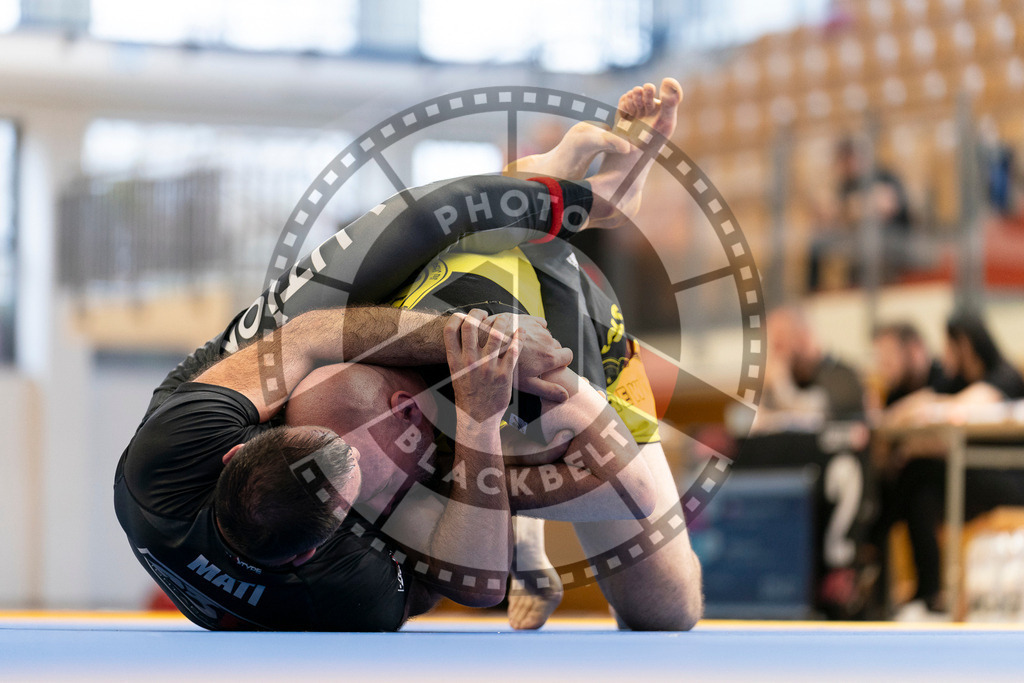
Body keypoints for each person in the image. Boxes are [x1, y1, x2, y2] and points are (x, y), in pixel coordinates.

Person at [116, 78, 700, 630]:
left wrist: (581, 205)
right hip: (526, 352)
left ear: (240, 445)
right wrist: (476, 437)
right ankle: (550, 204)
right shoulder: (342, 589)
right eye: (382, 476)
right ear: (338, 530)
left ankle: (552, 192)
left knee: (451, 267)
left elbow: (324, 322)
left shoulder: (174, 453)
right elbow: (476, 580)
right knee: (665, 610)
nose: (398, 438)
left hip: (382, 333)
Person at [880, 311, 1024, 618]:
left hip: (1007, 475)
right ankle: (927, 592)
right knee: (917, 482)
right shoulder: (954, 381)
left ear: (965, 346)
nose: (943, 355)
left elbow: (959, 409)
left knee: (918, 478)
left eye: (949, 346)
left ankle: (925, 589)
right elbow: (914, 407)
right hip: (969, 472)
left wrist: (929, 409)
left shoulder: (1004, 376)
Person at [808, 137, 913, 291]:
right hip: (860, 241)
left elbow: (887, 206)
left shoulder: (883, 175)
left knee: (867, 241)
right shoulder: (847, 184)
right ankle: (815, 291)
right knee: (818, 241)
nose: (844, 167)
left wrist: (851, 208)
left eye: (846, 160)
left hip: (894, 239)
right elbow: (839, 214)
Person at [752, 306, 867, 433]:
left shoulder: (842, 377)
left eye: (780, 342)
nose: (776, 353)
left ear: (803, 336)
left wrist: (781, 383)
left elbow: (817, 412)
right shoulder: (788, 378)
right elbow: (759, 421)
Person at [871, 322, 953, 407]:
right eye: (880, 357)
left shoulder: (948, 376)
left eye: (890, 354)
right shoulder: (895, 393)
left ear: (914, 350)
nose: (884, 364)